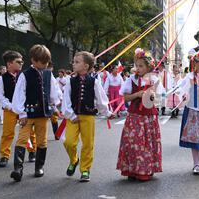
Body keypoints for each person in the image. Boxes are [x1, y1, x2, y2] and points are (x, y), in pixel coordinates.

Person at [10, 45, 60, 182]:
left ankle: (39, 167)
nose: (44, 65)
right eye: (42, 62)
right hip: (27, 114)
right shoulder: (25, 75)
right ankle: (18, 169)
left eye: (46, 62)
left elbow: (53, 92)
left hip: (43, 113)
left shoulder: (49, 74)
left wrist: (54, 107)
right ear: (33, 60)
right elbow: (19, 94)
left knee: (42, 140)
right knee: (22, 139)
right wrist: (21, 113)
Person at [62, 52, 114, 182]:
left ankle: (85, 169)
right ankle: (74, 160)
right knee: (69, 142)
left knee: (87, 144)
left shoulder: (94, 82)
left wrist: (107, 112)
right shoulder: (70, 81)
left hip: (88, 116)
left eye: (76, 62)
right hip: (73, 117)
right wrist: (70, 115)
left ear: (85, 66)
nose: (73, 64)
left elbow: (101, 100)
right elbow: (66, 100)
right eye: (74, 61)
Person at [117, 49, 162, 181]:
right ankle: (132, 169)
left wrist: (151, 95)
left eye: (141, 66)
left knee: (147, 142)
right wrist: (137, 95)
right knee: (134, 142)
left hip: (148, 116)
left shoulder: (154, 80)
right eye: (136, 65)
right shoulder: (132, 79)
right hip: (135, 116)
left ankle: (145, 169)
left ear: (149, 66)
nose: (138, 68)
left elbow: (158, 99)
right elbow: (125, 98)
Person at [0, 51, 37, 167]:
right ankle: (4, 156)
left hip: (24, 109)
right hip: (9, 110)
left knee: (30, 132)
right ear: (9, 64)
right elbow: (0, 95)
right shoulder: (1, 79)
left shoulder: (24, 76)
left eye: (22, 61)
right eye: (18, 62)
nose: (21, 63)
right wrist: (11, 106)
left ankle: (32, 151)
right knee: (7, 133)